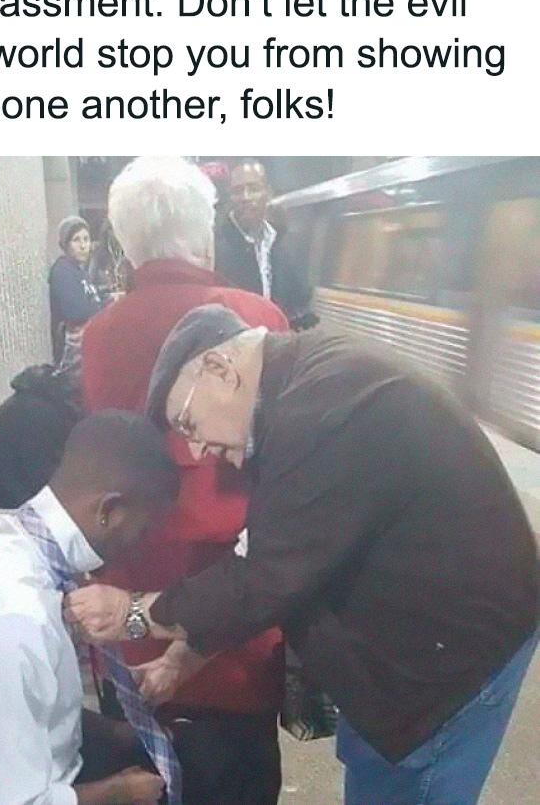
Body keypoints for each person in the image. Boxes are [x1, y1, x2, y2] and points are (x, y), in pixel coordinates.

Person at [68, 307, 540, 805]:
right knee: (376, 770)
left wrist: (133, 612)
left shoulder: (318, 410)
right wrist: (185, 656)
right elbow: (269, 547)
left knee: (410, 784)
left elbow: (264, 579)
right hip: (405, 636)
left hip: (446, 657)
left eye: (187, 422)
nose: (198, 448)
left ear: (220, 369)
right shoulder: (296, 391)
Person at [80, 157, 288, 805]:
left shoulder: (97, 334)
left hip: (133, 620)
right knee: (240, 777)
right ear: (205, 231)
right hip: (234, 618)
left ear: (125, 240)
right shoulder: (259, 317)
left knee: (153, 780)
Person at [0, 411, 180, 805]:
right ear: (109, 511)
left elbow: (25, 714)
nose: (141, 546)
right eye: (143, 529)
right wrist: (120, 793)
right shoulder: (11, 619)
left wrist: (116, 735)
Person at [214, 160, 312, 322]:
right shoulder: (216, 246)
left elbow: (300, 301)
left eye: (253, 189)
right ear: (229, 198)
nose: (245, 197)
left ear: (268, 193)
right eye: (238, 191)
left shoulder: (285, 245)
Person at [0, 363, 83, 509]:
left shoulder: (30, 404)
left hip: (4, 495)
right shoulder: (41, 416)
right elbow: (47, 484)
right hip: (15, 503)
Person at [49, 216, 103, 360]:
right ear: (66, 245)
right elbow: (75, 312)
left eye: (86, 239)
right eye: (76, 240)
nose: (83, 245)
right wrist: (105, 307)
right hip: (73, 355)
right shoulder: (63, 270)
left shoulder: (81, 271)